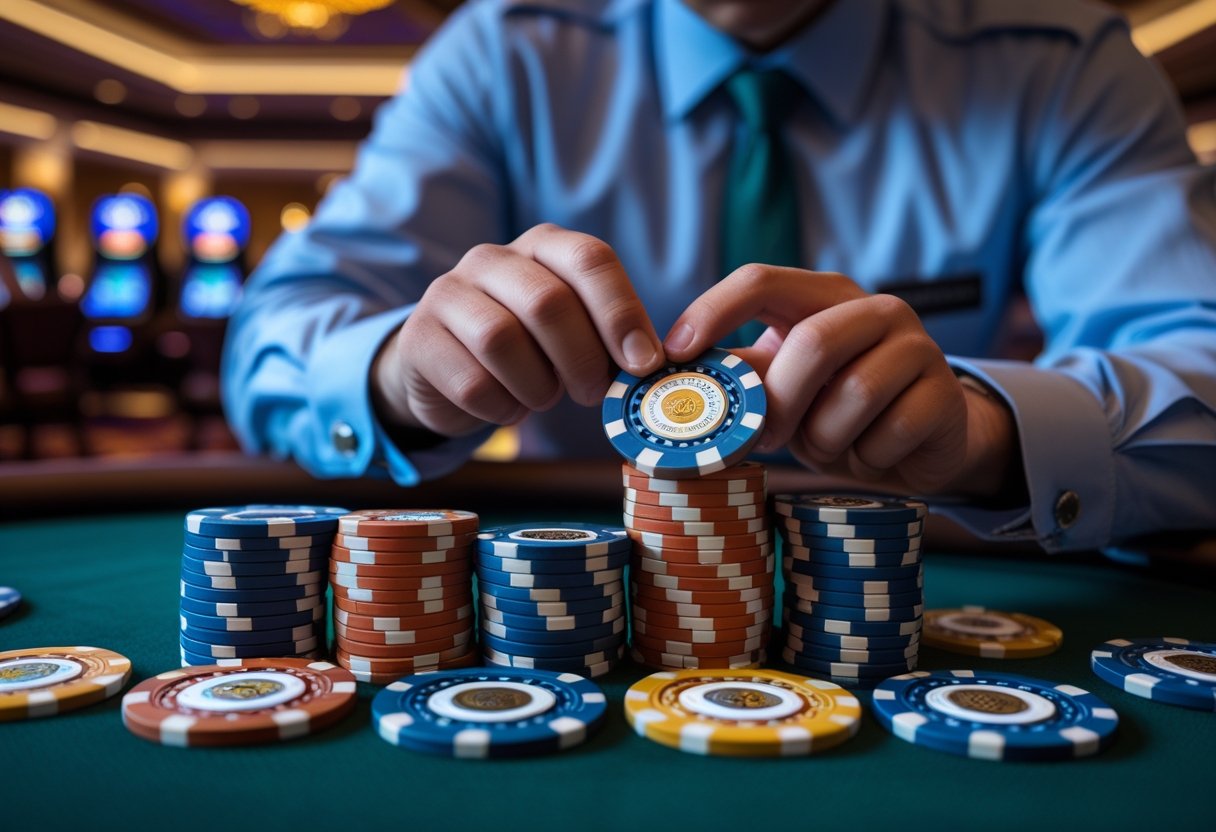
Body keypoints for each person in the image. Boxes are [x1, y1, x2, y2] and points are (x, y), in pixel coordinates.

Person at [222, 0, 1216, 556]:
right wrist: (403, 375)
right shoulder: (501, 51)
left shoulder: (1061, 55)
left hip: (922, 567)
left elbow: (1201, 369)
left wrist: (989, 433)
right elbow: (275, 337)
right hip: (614, 566)